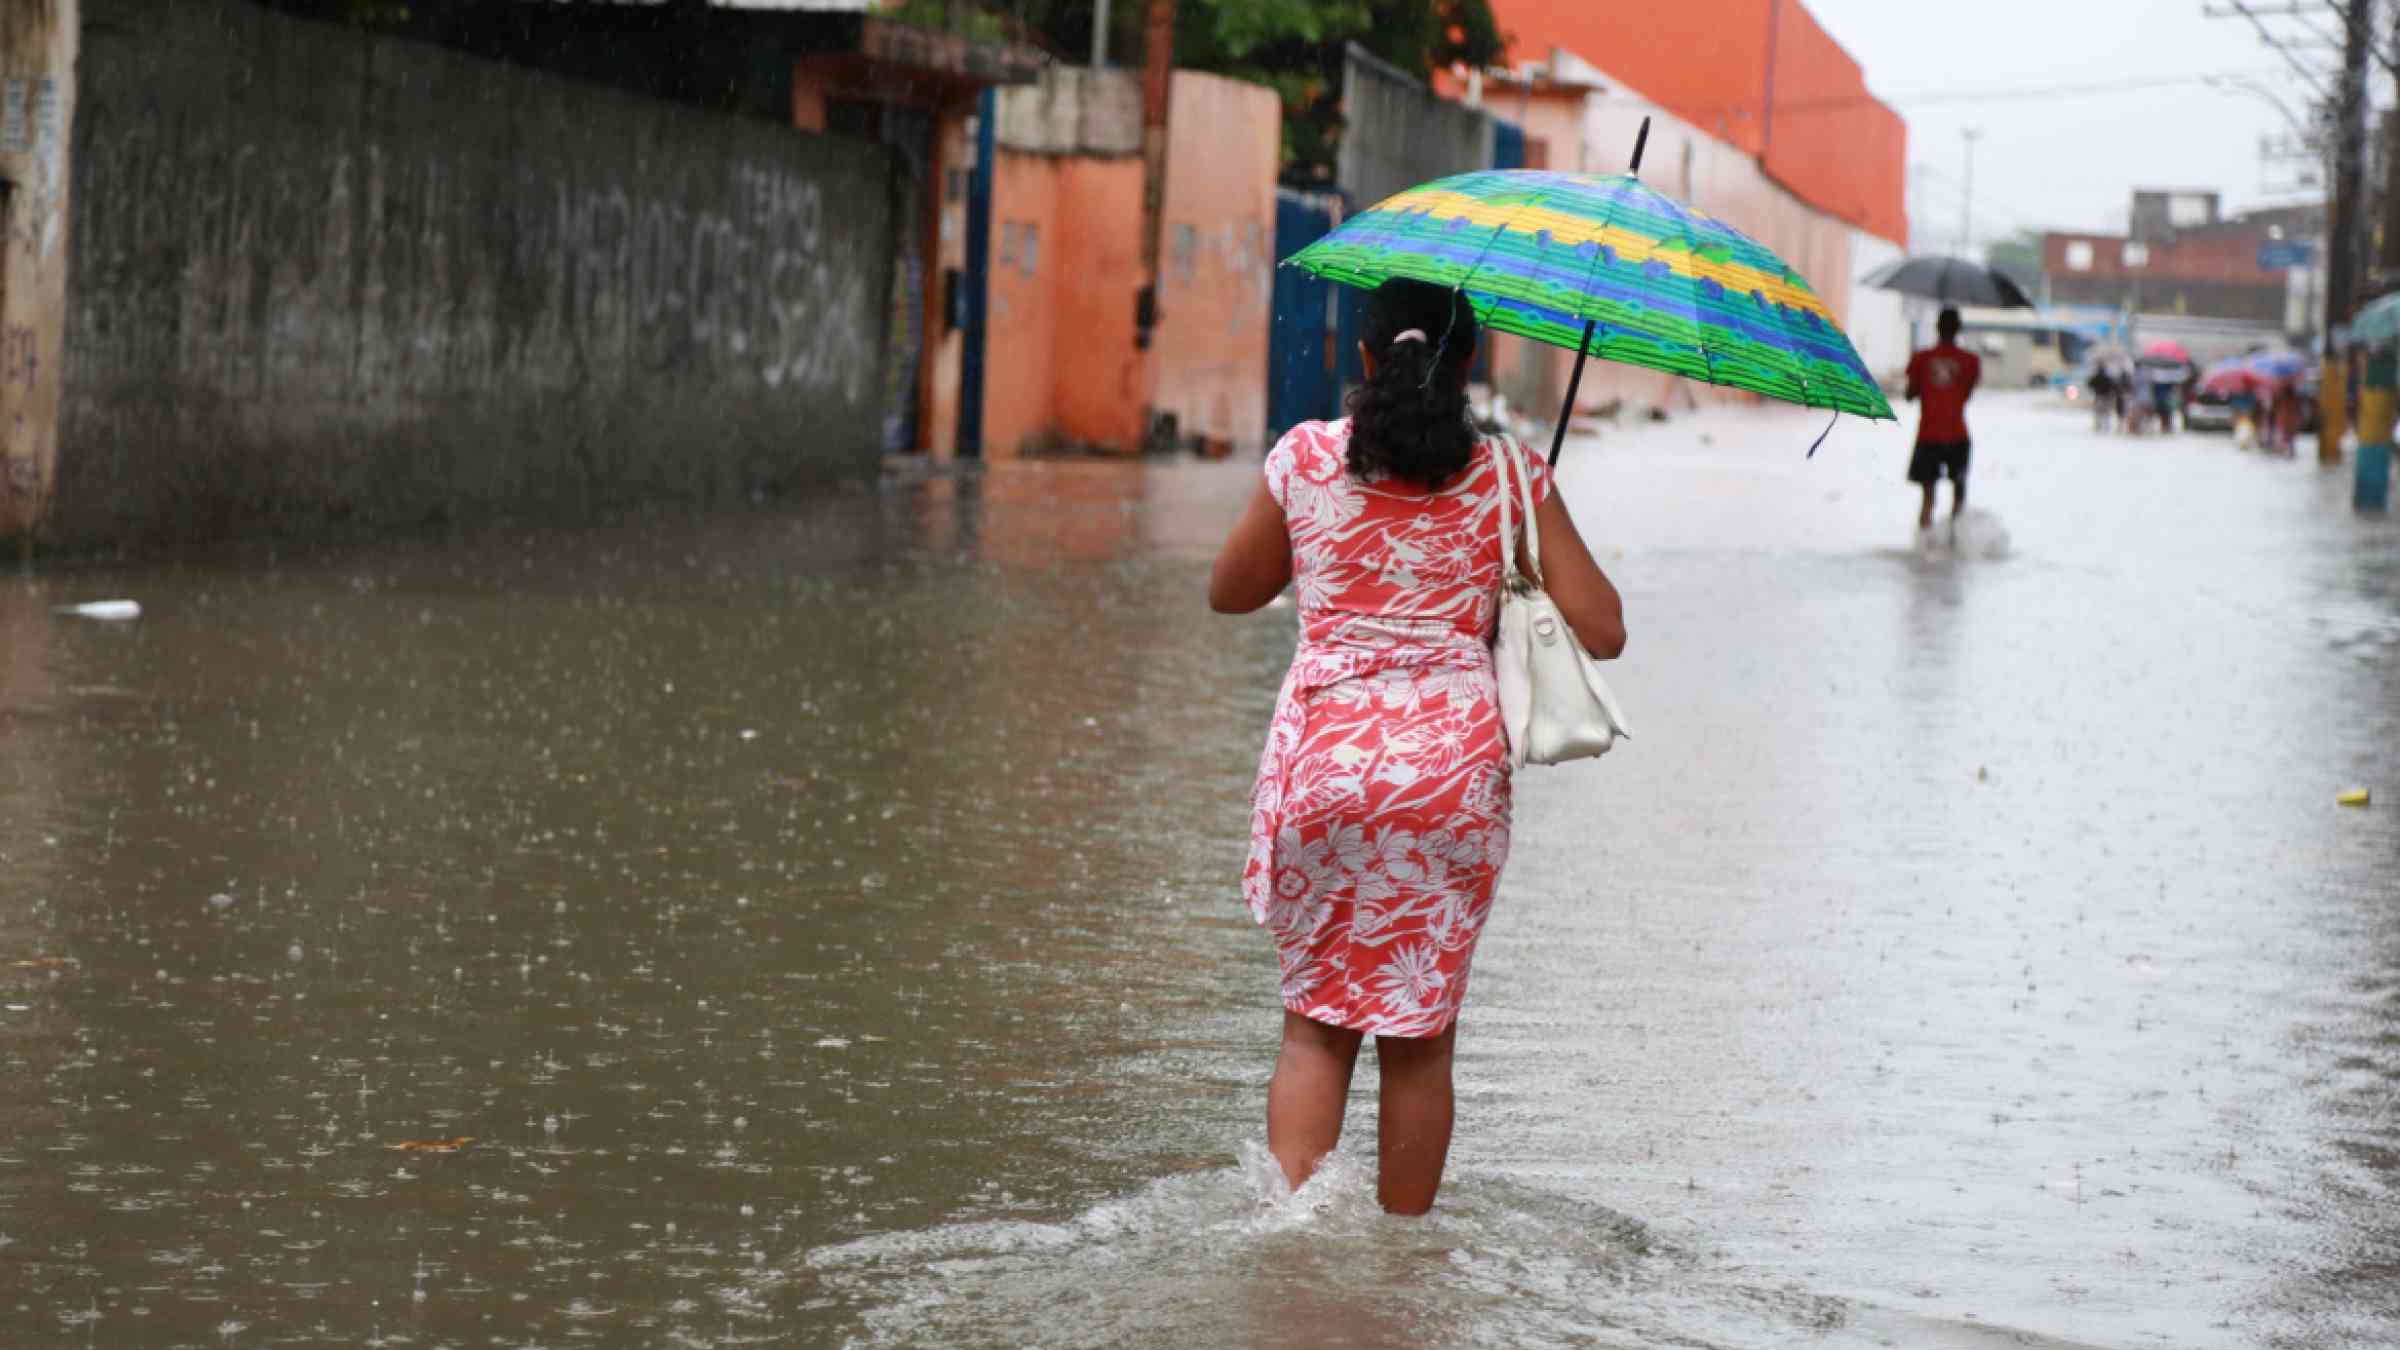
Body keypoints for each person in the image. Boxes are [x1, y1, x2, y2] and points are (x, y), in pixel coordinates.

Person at [1208, 277, 1626, 1215]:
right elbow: (1604, 630)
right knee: (1420, 1035)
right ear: (1470, 366)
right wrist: (1519, 551)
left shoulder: (1307, 458)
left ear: (1361, 359)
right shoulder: (1511, 476)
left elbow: (1230, 592)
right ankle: (1400, 1268)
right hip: (1450, 782)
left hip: (1326, 765)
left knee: (1316, 1028)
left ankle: (1295, 1242)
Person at [1904, 308, 1981, 531]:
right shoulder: (1971, 361)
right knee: (1959, 494)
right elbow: (1966, 394)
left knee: (1928, 498)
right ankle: (1954, 543)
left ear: (1937, 328)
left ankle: (1924, 547)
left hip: (1928, 435)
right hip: (1958, 436)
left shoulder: (1921, 358)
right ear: (1959, 329)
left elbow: (1910, 395)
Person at [2089, 363, 2117, 433]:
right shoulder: (2108, 378)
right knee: (2106, 412)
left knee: (2098, 412)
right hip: (2106, 396)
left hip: (2099, 396)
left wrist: (2095, 389)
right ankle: (2106, 425)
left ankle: (2098, 425)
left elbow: (2090, 384)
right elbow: (2114, 386)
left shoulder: (2096, 377)